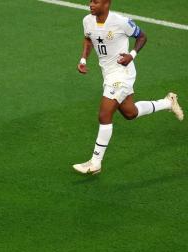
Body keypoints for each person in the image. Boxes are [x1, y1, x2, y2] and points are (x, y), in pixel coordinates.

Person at [73, 0, 183, 175]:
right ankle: (168, 102)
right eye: (90, 1)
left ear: (106, 3)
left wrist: (131, 55)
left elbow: (142, 36)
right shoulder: (87, 20)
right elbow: (88, 38)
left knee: (104, 114)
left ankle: (95, 163)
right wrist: (83, 59)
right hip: (108, 74)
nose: (90, 4)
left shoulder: (120, 21)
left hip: (122, 74)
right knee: (130, 113)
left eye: (95, 1)